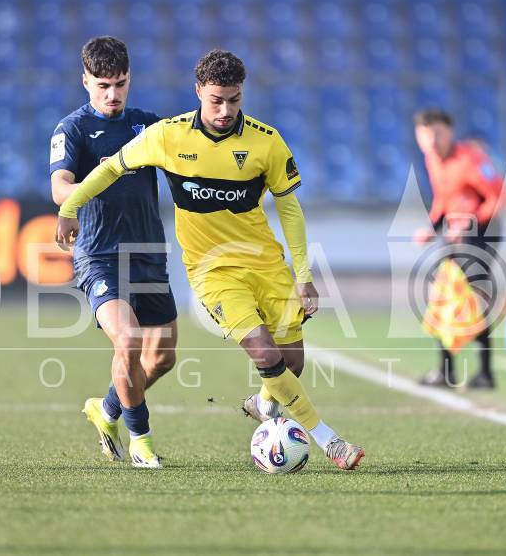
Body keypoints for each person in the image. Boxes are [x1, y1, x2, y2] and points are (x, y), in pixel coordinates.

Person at [57, 49, 364, 470]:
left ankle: (263, 403)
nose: (225, 110)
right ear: (199, 91)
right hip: (212, 270)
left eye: (234, 100)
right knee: (264, 354)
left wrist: (303, 275)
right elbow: (111, 169)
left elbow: (290, 209)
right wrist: (69, 206)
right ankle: (331, 441)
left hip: (266, 265)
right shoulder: (168, 135)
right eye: (216, 100)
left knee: (290, 363)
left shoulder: (266, 142)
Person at [50, 36, 177, 468]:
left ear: (129, 79)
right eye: (103, 85)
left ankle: (106, 410)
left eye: (119, 84)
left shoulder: (148, 127)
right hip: (100, 255)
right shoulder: (72, 129)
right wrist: (86, 190)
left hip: (149, 253)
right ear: (85, 81)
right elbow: (59, 187)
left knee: (162, 358)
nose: (112, 94)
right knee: (129, 339)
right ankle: (142, 441)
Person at [413, 108, 506, 389]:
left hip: (482, 233)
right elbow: (443, 199)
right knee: (442, 295)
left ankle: (484, 373)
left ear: (450, 132)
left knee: (472, 298)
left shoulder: (470, 159)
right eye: (425, 136)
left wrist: (470, 221)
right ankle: (447, 371)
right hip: (455, 234)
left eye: (437, 134)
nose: (432, 141)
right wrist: (432, 227)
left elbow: (500, 196)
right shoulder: (432, 159)